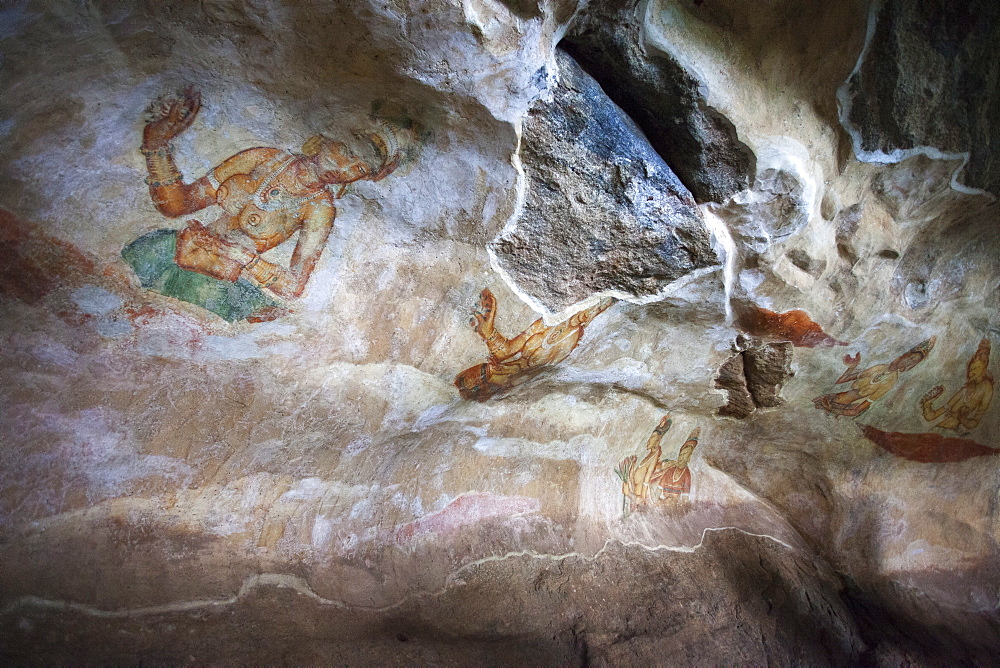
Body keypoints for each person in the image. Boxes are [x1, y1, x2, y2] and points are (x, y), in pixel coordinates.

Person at [122, 88, 401, 322]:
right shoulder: (263, 159)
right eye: (347, 151)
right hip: (171, 253)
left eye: (359, 168)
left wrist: (246, 259)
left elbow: (294, 286)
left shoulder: (319, 209)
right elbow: (177, 205)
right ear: (328, 138)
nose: (343, 168)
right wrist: (157, 144)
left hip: (219, 286)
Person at [454, 288, 613, 400]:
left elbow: (508, 350)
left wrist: (488, 332)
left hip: (565, 320)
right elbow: (515, 369)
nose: (494, 367)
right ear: (487, 388)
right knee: (536, 349)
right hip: (575, 324)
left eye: (486, 368)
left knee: (529, 346)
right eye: (487, 375)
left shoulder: (523, 356)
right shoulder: (523, 380)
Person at [813, 337, 935, 418]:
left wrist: (831, 409)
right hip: (830, 397)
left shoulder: (891, 382)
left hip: (836, 408)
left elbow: (857, 410)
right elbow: (841, 380)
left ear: (911, 366)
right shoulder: (880, 367)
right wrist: (852, 367)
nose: (907, 361)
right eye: (910, 357)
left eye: (912, 361)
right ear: (904, 355)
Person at [920, 338, 994, 434]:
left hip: (952, 433)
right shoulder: (965, 389)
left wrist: (962, 419)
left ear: (985, 370)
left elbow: (975, 422)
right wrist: (927, 405)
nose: (971, 372)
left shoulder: (987, 388)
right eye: (970, 368)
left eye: (976, 367)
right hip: (939, 428)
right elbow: (932, 417)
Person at [618, 415, 673, 511]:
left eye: (652, 437)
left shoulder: (653, 460)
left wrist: (629, 494)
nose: (648, 440)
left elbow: (642, 497)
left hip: (638, 506)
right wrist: (629, 472)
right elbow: (636, 480)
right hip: (633, 502)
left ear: (658, 441)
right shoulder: (647, 458)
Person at [649, 428, 700, 500]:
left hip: (673, 506)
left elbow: (685, 497)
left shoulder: (686, 474)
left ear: (689, 458)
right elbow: (658, 490)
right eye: (681, 454)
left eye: (685, 455)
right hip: (662, 502)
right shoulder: (670, 469)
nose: (681, 458)